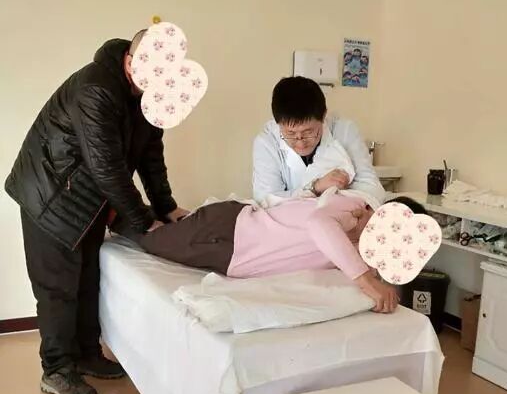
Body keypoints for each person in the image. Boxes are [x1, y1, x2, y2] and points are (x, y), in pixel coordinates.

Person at [5, 30, 188, 394]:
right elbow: (107, 168)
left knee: (88, 278)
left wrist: (166, 207)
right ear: (131, 62)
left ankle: (87, 354)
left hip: (86, 197)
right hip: (50, 194)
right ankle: (57, 370)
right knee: (58, 288)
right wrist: (143, 221)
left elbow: (150, 156)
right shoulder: (96, 89)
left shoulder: (152, 96)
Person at [114, 195, 428, 314]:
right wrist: (366, 282)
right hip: (228, 232)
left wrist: (374, 279)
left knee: (167, 235)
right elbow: (319, 224)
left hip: (230, 253)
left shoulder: (360, 250)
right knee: (151, 241)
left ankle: (175, 218)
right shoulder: (350, 208)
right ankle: (110, 209)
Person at [252, 76, 385, 204]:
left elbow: (372, 188)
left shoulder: (344, 131)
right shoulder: (267, 142)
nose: (300, 143)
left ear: (323, 116)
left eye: (308, 132)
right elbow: (265, 200)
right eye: (290, 133)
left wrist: (361, 206)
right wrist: (314, 188)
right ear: (278, 124)